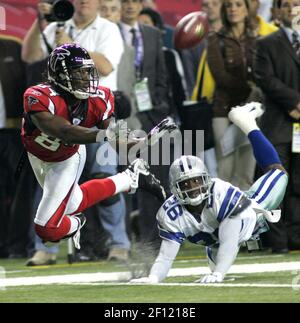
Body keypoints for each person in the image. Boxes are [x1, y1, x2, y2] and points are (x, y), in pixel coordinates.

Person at [21, 43, 171, 247]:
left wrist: (139, 143)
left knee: (47, 229)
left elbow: (117, 140)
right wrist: (104, 135)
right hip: (37, 155)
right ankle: (130, 178)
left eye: (87, 72)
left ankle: (76, 223)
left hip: (66, 158)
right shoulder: (39, 96)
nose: (86, 78)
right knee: (73, 202)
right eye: (78, 73)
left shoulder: (99, 98)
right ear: (59, 75)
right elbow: (64, 131)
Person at [130, 102, 288, 284]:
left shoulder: (220, 192)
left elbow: (230, 241)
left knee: (278, 173)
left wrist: (218, 274)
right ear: (175, 188)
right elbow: (166, 256)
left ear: (206, 179)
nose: (193, 187)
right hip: (216, 240)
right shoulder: (170, 213)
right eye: (186, 184)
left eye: (197, 181)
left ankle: (246, 122)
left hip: (249, 212)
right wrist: (153, 278)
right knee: (214, 269)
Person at [253, 0, 300, 252]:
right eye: (287, 4)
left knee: (299, 185)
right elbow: (265, 79)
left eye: (297, 3)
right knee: (276, 184)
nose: (292, 8)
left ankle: (296, 238)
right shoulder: (265, 44)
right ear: (277, 11)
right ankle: (277, 242)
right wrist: (294, 102)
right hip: (278, 124)